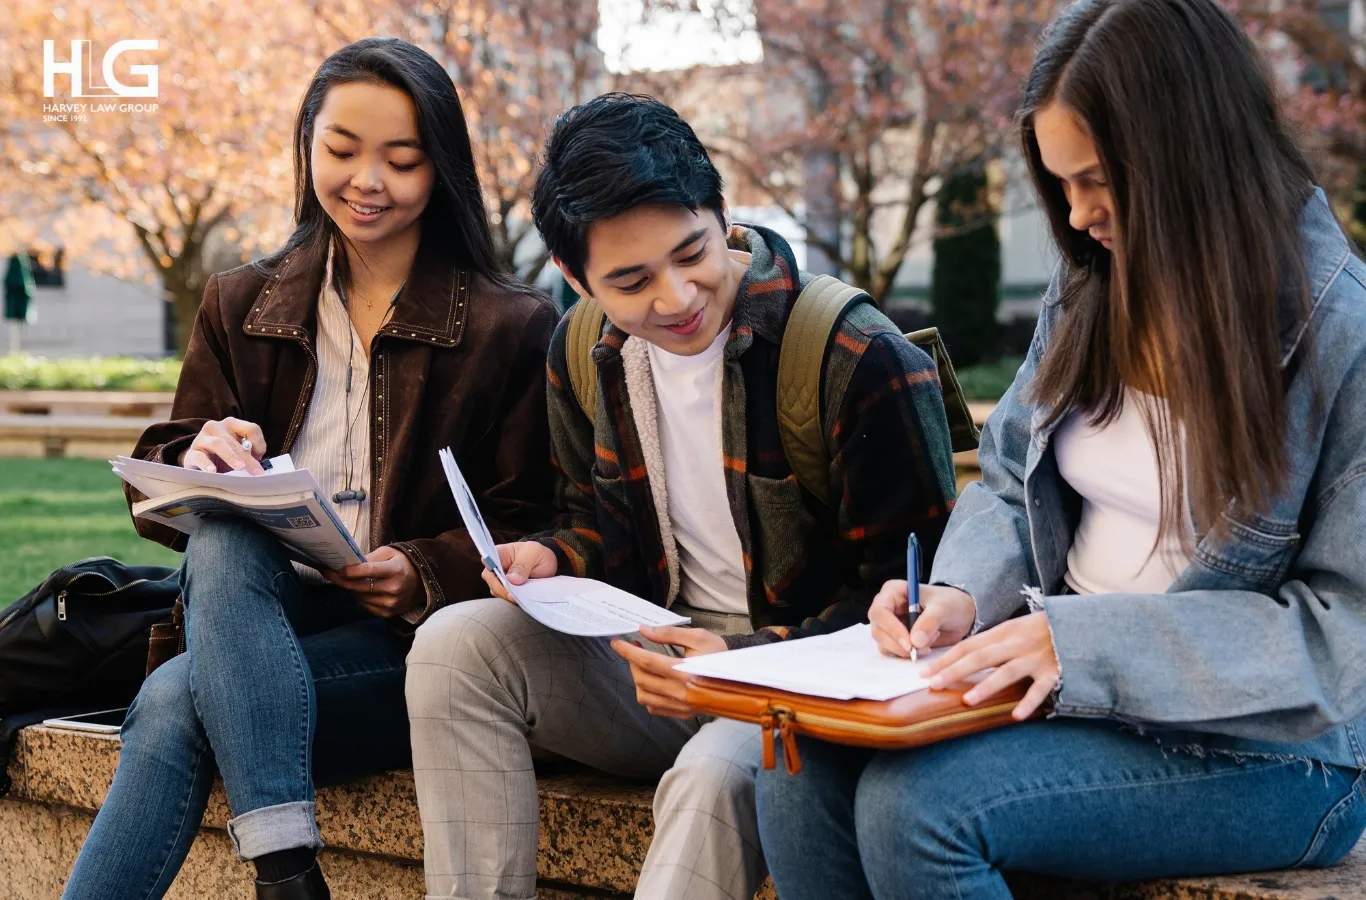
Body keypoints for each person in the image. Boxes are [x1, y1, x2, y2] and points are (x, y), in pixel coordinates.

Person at [752, 1, 1366, 897]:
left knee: (918, 811)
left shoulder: (1343, 334)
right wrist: (962, 596)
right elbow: (1009, 480)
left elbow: (1343, 634)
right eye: (1060, 184)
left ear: (1190, 151)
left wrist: (1081, 645)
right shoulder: (1093, 285)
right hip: (1069, 685)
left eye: (1098, 181)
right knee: (796, 764)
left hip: (1271, 749)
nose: (1076, 217)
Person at [403, 93, 960, 900]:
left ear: (721, 213)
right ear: (575, 277)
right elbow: (591, 520)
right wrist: (555, 556)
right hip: (653, 670)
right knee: (453, 646)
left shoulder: (853, 354)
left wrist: (737, 659)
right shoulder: (582, 351)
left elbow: (917, 602)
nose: (676, 298)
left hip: (790, 687)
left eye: (691, 252)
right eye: (630, 281)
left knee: (709, 778)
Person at [62, 38, 557, 900]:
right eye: (342, 150)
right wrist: (196, 455)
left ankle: (284, 870)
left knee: (177, 701)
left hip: (406, 649)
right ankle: (287, 868)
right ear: (308, 145)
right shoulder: (241, 304)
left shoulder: (509, 326)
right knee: (223, 533)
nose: (368, 181)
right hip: (255, 613)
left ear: (442, 167)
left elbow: (536, 519)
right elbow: (159, 487)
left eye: (401, 160)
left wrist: (424, 571)